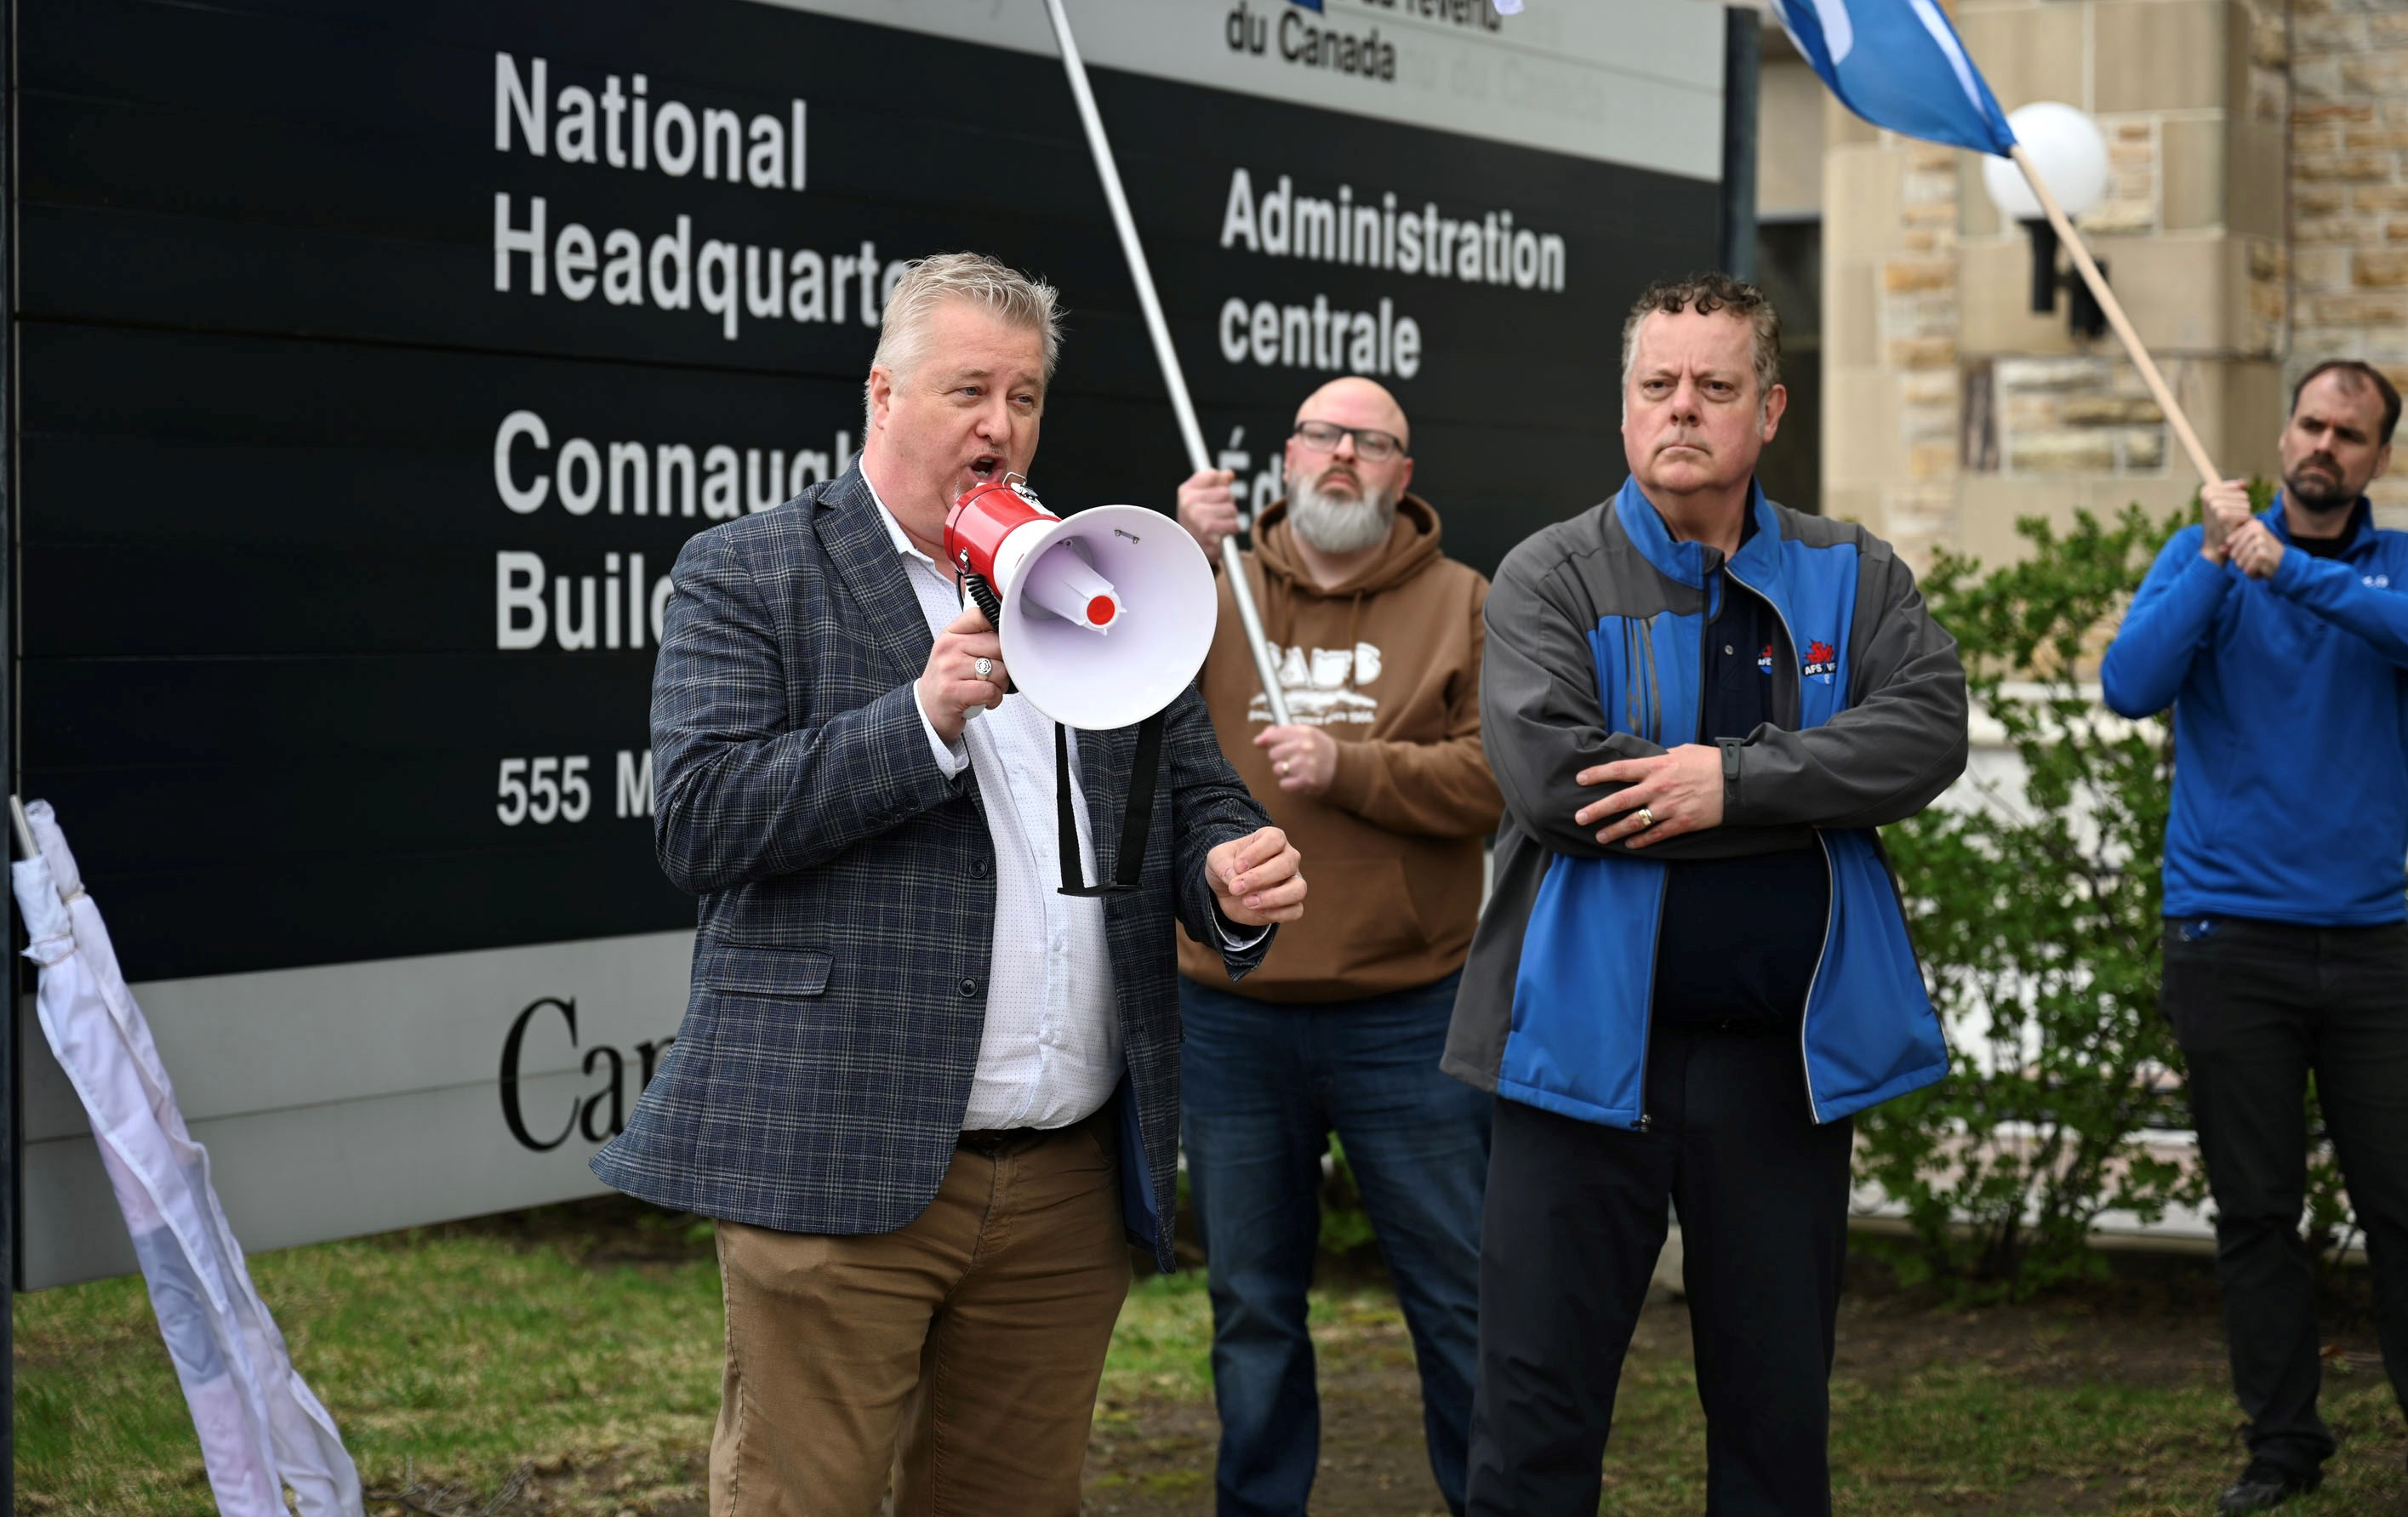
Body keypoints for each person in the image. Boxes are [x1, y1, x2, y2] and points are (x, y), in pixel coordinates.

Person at [591, 253, 1307, 1517]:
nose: (1002, 426)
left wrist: (1224, 875)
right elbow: (701, 820)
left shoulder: (1097, 578)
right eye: (969, 389)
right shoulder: (751, 571)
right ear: (883, 392)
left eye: (1025, 396)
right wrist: (918, 723)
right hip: (834, 1165)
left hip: (1062, 1183)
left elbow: (1197, 791)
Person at [1442, 272, 1967, 1516]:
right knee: (1532, 1423)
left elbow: (1928, 735)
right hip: (1575, 1061)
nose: (1684, 409)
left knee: (1777, 1427)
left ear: (1768, 409)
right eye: (1657, 386)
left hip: (1782, 1072)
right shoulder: (1548, 577)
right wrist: (1809, 792)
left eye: (1715, 387)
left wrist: (1730, 784)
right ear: (1624, 410)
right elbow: (1558, 785)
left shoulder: (1856, 574)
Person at [2102, 361, 2408, 1517]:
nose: (2326, 446)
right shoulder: (2202, 556)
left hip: (2367, 948)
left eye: (2353, 434)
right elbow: (2129, 685)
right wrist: (2217, 559)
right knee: (2257, 1215)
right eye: (2312, 423)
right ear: (2282, 430)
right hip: (2225, 940)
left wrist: (2289, 569)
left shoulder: (2403, 567)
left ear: (2380, 459)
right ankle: (2281, 1452)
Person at [1170, 377, 1505, 1516]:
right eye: (1324, 436)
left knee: (1458, 1299)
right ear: (1286, 458)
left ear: (1404, 476)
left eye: (1373, 443)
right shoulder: (1206, 587)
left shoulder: (1466, 602)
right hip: (1231, 1005)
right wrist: (1168, 553)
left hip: (1409, 1010)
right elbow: (1100, 694)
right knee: (1253, 1308)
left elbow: (1501, 779)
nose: (1345, 456)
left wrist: (1350, 768)